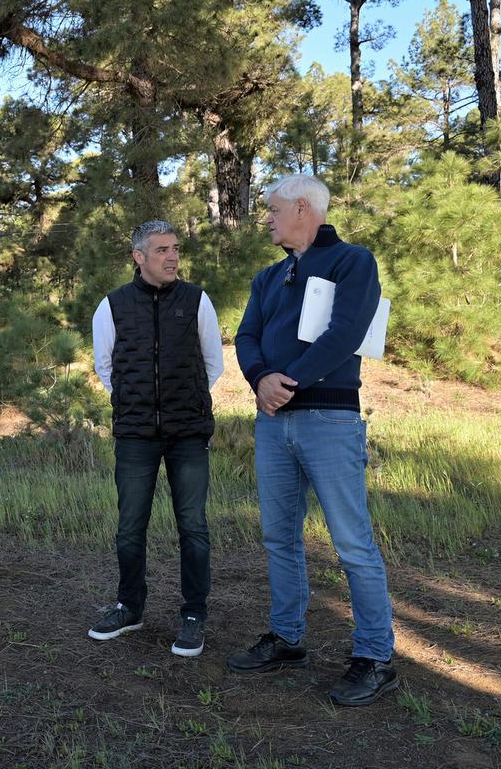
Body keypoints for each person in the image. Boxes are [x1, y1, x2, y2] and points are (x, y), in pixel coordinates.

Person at [230, 174, 396, 706]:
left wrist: (289, 382)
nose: (268, 218)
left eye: (275, 210)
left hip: (329, 420)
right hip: (273, 423)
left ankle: (375, 656)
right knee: (279, 538)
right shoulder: (268, 277)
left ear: (304, 208)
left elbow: (345, 333)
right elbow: (248, 335)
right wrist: (260, 379)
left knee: (352, 544)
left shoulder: (353, 262)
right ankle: (287, 638)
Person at [89, 219, 224, 657]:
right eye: (162, 250)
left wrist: (185, 402)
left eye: (176, 249)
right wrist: (133, 402)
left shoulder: (197, 300)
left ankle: (193, 614)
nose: (172, 257)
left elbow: (213, 363)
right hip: (135, 435)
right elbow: (104, 366)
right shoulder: (112, 306)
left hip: (188, 433)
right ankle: (130, 607)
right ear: (139, 257)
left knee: (194, 527)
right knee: (130, 528)